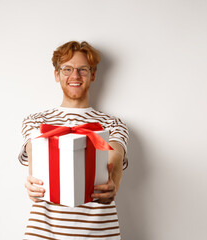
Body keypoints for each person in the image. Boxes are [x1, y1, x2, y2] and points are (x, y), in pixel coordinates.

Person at [18, 41, 129, 239]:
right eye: (67, 69)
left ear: (93, 75)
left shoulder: (113, 123)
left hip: (99, 234)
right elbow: (34, 157)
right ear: (56, 74)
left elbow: (115, 156)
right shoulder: (36, 121)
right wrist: (32, 183)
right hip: (44, 233)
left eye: (82, 70)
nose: (75, 76)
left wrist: (113, 183)